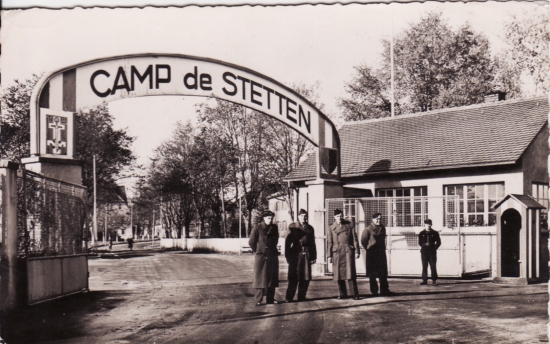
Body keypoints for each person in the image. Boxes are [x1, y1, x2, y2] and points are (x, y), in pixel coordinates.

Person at [249, 210, 281, 306]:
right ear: (264, 218)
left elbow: (276, 240)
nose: (270, 220)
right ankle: (258, 299)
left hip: (272, 256)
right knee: (260, 278)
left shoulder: (274, 228)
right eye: (268, 218)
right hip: (261, 257)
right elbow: (251, 242)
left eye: (271, 218)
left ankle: (270, 299)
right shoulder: (257, 227)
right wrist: (258, 251)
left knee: (272, 278)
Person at [327, 209, 360, 300]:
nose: (339, 218)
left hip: (347, 251)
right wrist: (329, 255)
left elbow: (354, 239)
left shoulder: (349, 225)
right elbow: (329, 242)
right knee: (339, 274)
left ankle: (354, 294)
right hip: (337, 252)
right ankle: (342, 294)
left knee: (350, 274)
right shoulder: (331, 227)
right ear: (334, 217)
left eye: (341, 216)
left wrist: (357, 251)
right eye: (337, 216)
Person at [285, 209, 317, 302]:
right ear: (298, 217)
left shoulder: (310, 228)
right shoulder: (292, 226)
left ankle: (301, 296)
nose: (304, 218)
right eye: (302, 216)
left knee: (305, 277)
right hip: (295, 254)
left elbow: (312, 243)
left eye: (305, 216)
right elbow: (287, 243)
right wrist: (288, 256)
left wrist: (313, 256)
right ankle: (289, 297)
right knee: (293, 276)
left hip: (306, 254)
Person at [361, 212, 393, 296]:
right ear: (373, 219)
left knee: (383, 273)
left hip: (381, 253)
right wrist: (369, 249)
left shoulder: (383, 228)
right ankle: (374, 291)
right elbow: (363, 241)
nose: (378, 220)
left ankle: (384, 290)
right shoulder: (368, 229)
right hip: (372, 254)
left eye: (379, 219)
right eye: (376, 219)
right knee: (372, 274)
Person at [418, 219, 441, 286]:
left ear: (431, 225)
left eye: (429, 224)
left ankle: (434, 280)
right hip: (424, 252)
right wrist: (424, 246)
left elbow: (439, 242)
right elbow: (420, 242)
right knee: (424, 266)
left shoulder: (435, 233)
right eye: (426, 224)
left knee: (433, 266)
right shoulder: (421, 233)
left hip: (432, 252)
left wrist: (435, 247)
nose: (428, 226)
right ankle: (424, 280)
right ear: (424, 225)